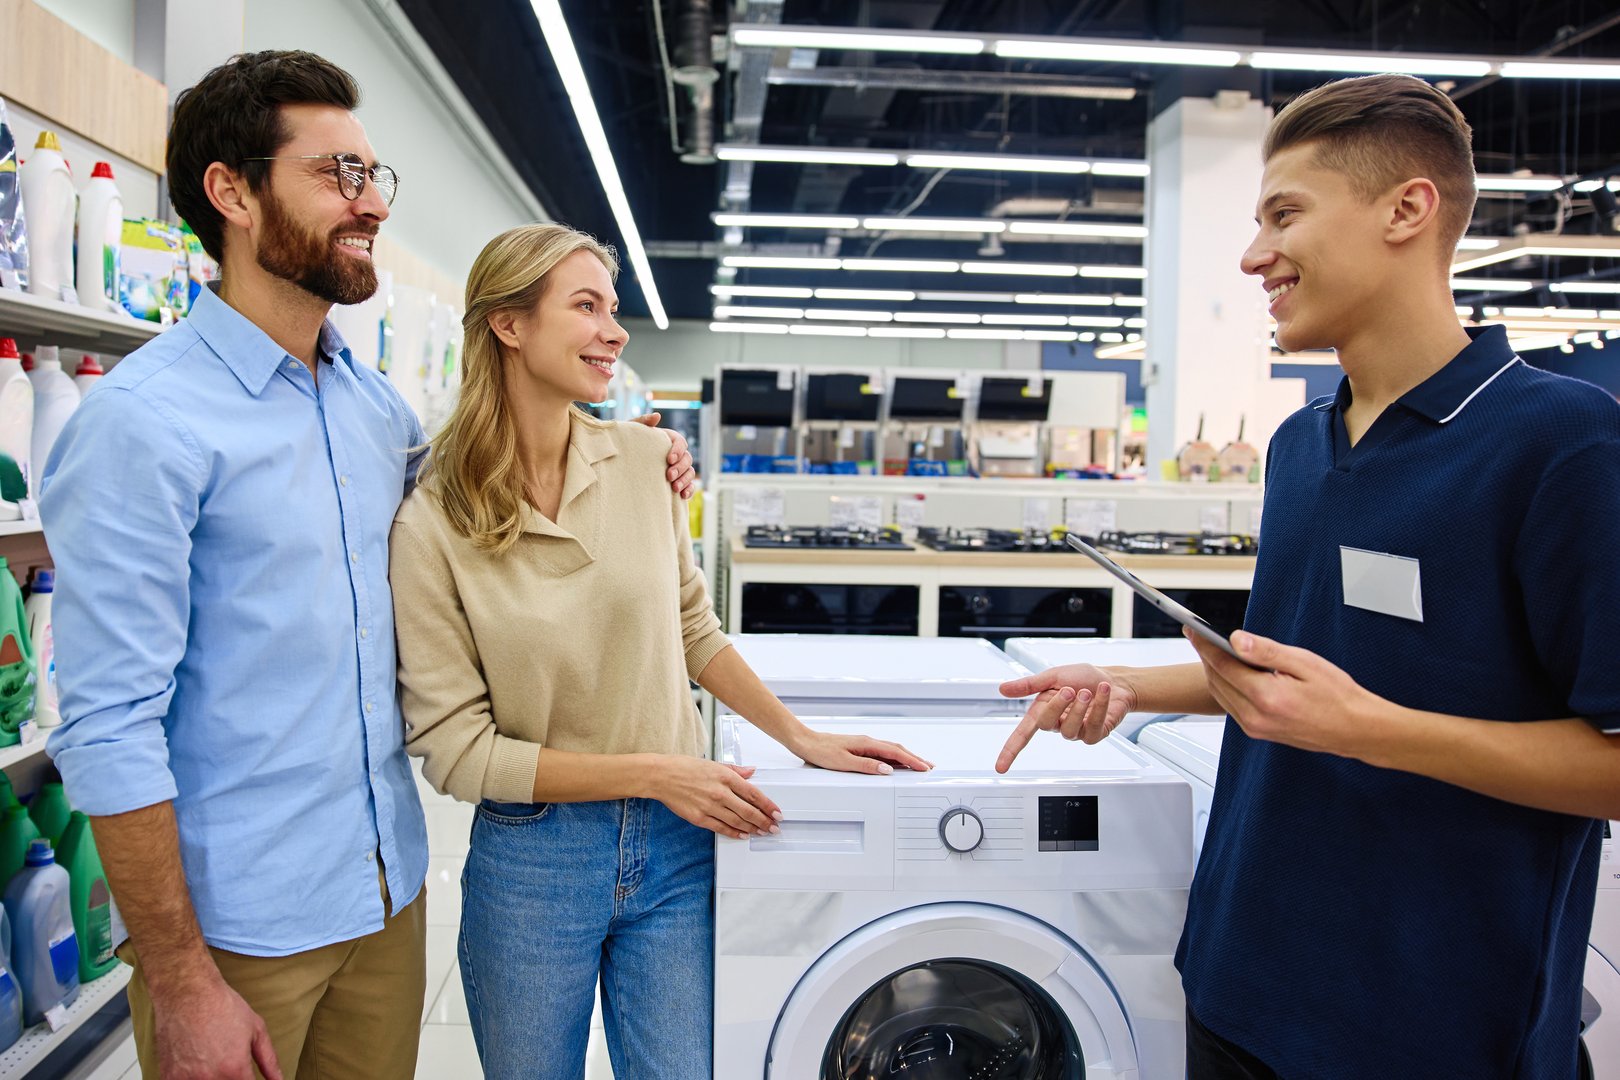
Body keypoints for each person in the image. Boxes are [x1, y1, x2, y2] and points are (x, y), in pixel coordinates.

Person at [38, 52, 694, 1080]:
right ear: (233, 193)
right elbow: (110, 725)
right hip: (240, 931)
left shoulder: (375, 410)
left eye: (374, 177)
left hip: (386, 900)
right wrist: (178, 977)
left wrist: (636, 452)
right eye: (337, 175)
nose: (370, 205)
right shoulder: (143, 425)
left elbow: (505, 490)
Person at [996, 73, 1620, 1078]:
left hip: (1435, 1026)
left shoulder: (1562, 444)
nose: (1252, 256)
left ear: (1406, 211)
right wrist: (1128, 687)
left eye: (1285, 215)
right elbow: (1304, 677)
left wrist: (1370, 731)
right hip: (1237, 981)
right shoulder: (1300, 444)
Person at [390, 222, 931, 1079]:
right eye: (587, 306)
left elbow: (693, 631)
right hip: (534, 863)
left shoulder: (646, 463)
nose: (615, 330)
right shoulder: (432, 517)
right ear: (509, 324)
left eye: (614, 308)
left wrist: (803, 739)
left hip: (679, 846)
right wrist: (651, 771)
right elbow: (457, 750)